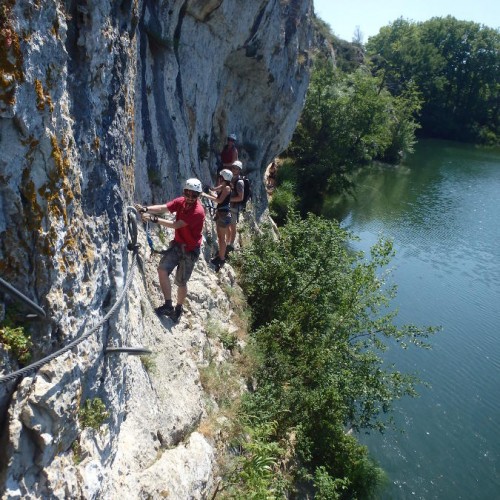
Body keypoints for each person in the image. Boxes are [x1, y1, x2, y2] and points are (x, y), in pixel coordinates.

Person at [135, 178, 205, 322]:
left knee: (181, 282)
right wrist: (146, 208)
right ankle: (168, 305)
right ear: (184, 192)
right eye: (188, 193)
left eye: (194, 195)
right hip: (178, 245)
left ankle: (178, 308)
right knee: (162, 270)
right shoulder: (181, 202)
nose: (191, 198)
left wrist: (153, 219)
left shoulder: (198, 212)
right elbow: (163, 208)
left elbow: (176, 225)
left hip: (190, 251)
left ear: (198, 196)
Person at [201, 169, 233, 272]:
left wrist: (206, 195)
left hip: (223, 215)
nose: (219, 178)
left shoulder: (227, 188)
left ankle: (221, 258)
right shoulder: (224, 186)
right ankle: (221, 256)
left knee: (221, 238)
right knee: (220, 237)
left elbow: (219, 200)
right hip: (222, 213)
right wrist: (210, 190)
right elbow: (215, 190)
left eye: (221, 177)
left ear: (223, 178)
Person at [226, 160, 245, 255]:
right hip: (229, 206)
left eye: (236, 168)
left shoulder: (239, 182)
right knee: (227, 224)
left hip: (234, 207)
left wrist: (229, 200)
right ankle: (227, 241)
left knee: (232, 226)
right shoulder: (231, 179)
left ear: (239, 170)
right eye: (233, 168)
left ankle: (231, 244)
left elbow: (240, 197)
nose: (234, 170)